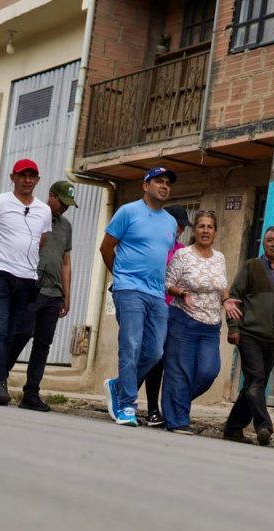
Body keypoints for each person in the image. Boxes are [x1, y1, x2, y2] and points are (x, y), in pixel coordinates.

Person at [100, 167, 178, 426]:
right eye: (159, 181)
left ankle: (118, 386)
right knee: (131, 346)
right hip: (129, 289)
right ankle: (126, 405)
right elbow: (106, 247)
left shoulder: (170, 222)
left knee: (155, 352)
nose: (164, 186)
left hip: (157, 294)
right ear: (146, 185)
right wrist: (121, 277)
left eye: (168, 183)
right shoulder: (128, 212)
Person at [0, 159, 53, 406]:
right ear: (13, 177)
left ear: (38, 180)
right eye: (22, 175)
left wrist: (26, 263)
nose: (27, 180)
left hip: (27, 277)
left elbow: (41, 242)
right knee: (0, 329)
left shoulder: (44, 210)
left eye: (32, 176)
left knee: (19, 332)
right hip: (0, 272)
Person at [161, 209, 242, 434]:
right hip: (183, 320)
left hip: (210, 325)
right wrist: (180, 292)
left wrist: (226, 301)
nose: (205, 231)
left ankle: (174, 406)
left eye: (210, 227)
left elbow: (221, 287)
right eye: (201, 226)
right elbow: (166, 283)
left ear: (215, 232)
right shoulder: (183, 255)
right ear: (194, 230)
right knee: (180, 371)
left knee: (208, 371)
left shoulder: (220, 258)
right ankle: (177, 420)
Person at [223, 226, 274, 446]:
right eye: (270, 240)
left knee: (254, 382)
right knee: (256, 379)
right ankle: (263, 425)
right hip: (250, 334)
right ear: (263, 243)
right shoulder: (251, 267)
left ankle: (233, 428)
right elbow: (235, 299)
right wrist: (234, 328)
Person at [3, 180, 77, 412]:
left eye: (68, 205)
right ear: (51, 196)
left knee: (43, 344)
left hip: (54, 293)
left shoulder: (65, 226)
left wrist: (67, 294)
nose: (64, 208)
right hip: (31, 286)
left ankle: (31, 393)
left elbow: (66, 262)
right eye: (62, 202)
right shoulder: (36, 215)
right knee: (21, 333)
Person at [140, 204, 191, 427]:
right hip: (149, 307)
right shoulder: (153, 243)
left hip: (172, 312)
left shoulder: (182, 251)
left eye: (182, 226)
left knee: (159, 361)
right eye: (176, 224)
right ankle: (124, 396)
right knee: (146, 356)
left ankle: (153, 409)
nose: (178, 229)